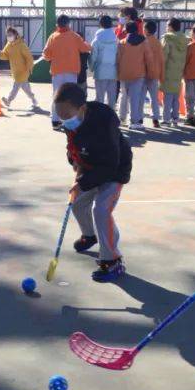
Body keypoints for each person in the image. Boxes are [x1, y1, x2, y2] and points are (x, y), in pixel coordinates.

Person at [56, 81, 132, 283]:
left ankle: (113, 259)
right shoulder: (73, 120)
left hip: (114, 170)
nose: (64, 121)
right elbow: (73, 146)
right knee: (77, 202)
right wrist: (75, 163)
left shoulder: (104, 123)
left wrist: (82, 183)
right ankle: (90, 236)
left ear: (82, 108)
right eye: (60, 116)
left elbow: (109, 164)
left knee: (101, 210)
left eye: (67, 116)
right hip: (90, 168)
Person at [42, 13, 92, 130]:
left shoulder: (53, 37)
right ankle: (70, 120)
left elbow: (46, 55)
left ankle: (55, 121)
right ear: (68, 24)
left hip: (57, 71)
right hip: (71, 71)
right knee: (71, 97)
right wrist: (91, 46)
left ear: (57, 24)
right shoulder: (74, 36)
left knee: (56, 95)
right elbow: (84, 48)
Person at [117, 21, 154, 130]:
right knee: (135, 97)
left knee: (123, 96)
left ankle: (122, 118)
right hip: (139, 74)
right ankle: (134, 121)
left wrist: (118, 72)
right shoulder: (144, 42)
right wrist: (149, 71)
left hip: (124, 73)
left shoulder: (122, 43)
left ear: (127, 30)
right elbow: (149, 58)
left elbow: (118, 59)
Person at [0, 26, 37, 109]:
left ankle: (8, 101)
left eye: (10, 34)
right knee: (26, 89)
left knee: (16, 86)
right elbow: (5, 55)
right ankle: (34, 100)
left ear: (15, 34)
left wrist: (29, 68)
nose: (9, 37)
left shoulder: (21, 45)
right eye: (7, 35)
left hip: (23, 71)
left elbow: (29, 57)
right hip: (15, 71)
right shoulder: (8, 45)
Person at [160, 18, 187, 127]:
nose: (166, 28)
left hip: (168, 70)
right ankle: (175, 118)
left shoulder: (167, 38)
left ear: (171, 26)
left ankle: (166, 119)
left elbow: (164, 55)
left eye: (167, 25)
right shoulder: (184, 39)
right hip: (179, 70)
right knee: (176, 97)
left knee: (167, 97)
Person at [90, 15, 119, 109]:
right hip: (113, 71)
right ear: (111, 24)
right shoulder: (116, 39)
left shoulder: (96, 40)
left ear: (100, 24)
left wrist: (91, 67)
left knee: (100, 97)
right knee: (112, 97)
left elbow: (93, 56)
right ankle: (111, 118)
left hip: (100, 71)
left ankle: (100, 117)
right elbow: (119, 55)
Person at [143, 20, 165, 128]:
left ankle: (138, 119)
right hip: (155, 73)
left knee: (140, 97)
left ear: (146, 30)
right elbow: (161, 60)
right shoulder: (158, 43)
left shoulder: (143, 42)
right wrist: (161, 76)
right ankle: (156, 118)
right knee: (154, 98)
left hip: (143, 73)